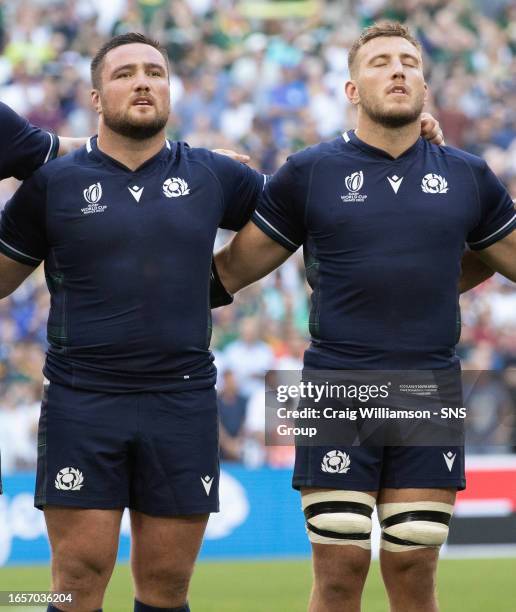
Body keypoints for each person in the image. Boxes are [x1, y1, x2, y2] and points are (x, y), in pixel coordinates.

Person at [212, 22, 516, 612]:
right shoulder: (310, 172)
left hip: (427, 385)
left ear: (426, 84)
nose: (398, 69)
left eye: (409, 61)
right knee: (340, 570)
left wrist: (439, 280)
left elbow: (504, 255)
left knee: (413, 568)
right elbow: (229, 272)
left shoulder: (468, 174)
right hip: (338, 384)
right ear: (352, 89)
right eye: (380, 62)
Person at [0, 32, 267, 612]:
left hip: (182, 399)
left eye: (155, 71)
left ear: (171, 89)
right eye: (124, 74)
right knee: (77, 578)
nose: (142, 81)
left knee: (167, 587)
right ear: (97, 97)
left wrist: (222, 280)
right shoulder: (54, 183)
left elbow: (301, 214)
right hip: (82, 399)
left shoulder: (213, 174)